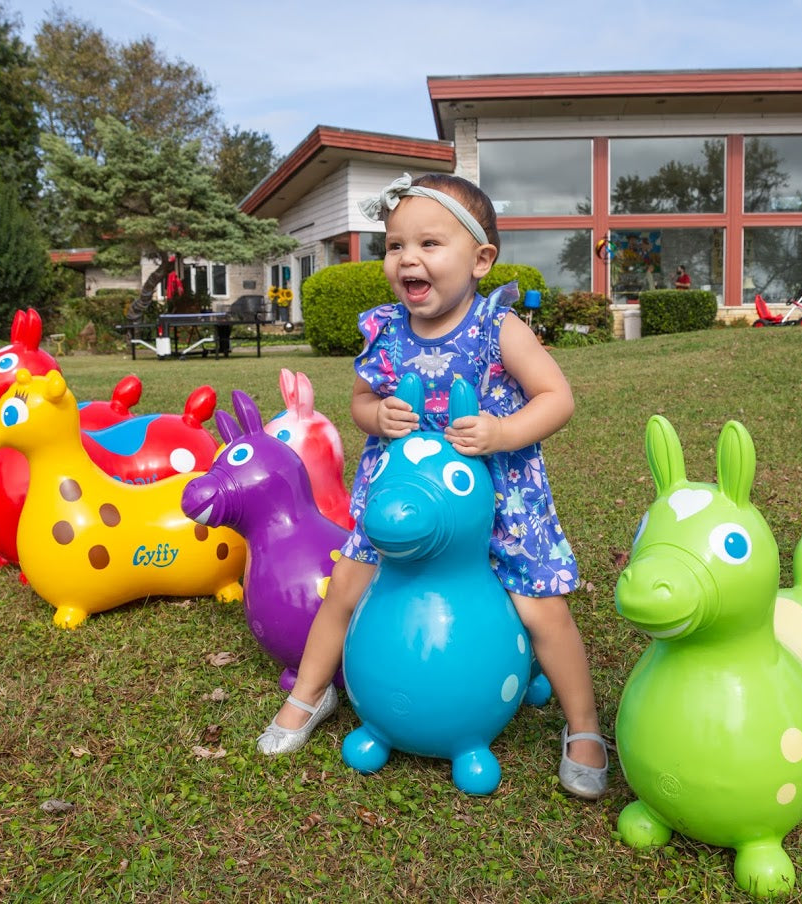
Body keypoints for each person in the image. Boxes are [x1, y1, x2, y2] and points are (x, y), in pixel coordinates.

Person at [255, 172, 609, 800]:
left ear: (480, 259)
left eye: (429, 244)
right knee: (345, 585)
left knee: (540, 607)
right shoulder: (386, 332)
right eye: (394, 246)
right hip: (399, 500)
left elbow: (558, 397)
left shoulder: (499, 329)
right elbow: (361, 399)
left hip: (499, 498)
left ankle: (582, 726)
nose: (407, 259)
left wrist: (503, 432)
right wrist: (375, 416)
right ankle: (312, 694)